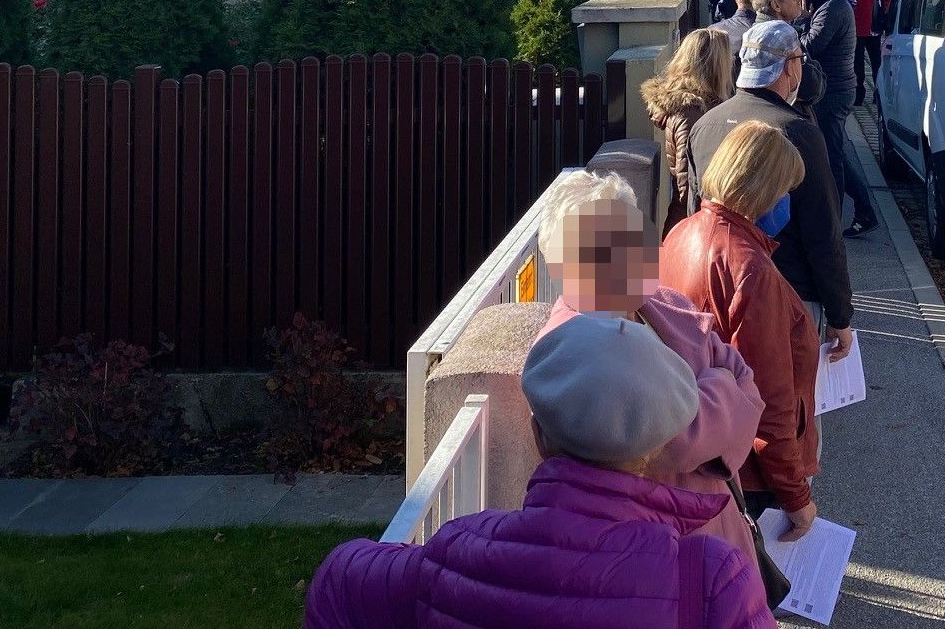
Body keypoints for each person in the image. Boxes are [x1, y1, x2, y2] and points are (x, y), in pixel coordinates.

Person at [304, 313, 777, 629]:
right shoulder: (712, 579)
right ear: (654, 451)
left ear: (537, 434)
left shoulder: (461, 549)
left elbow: (336, 580)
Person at [536, 170, 766, 571]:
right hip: (660, 546)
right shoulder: (569, 342)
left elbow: (749, 386)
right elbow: (675, 441)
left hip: (719, 524)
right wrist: (720, 387)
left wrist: (711, 394)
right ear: (563, 263)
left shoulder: (659, 301)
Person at [663, 122, 822, 537]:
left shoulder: (682, 232)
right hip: (749, 478)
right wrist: (797, 497)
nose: (789, 201)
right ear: (763, 190)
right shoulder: (750, 269)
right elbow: (770, 401)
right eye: (784, 189)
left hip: (698, 449)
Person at [686, 20, 854, 363]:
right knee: (792, 407)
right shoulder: (798, 132)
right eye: (799, 61)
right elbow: (824, 233)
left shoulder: (705, 125)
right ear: (790, 67)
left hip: (718, 289)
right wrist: (840, 315)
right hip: (788, 296)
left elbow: (695, 213)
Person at [795, 0, 877, 238]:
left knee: (833, 159)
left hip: (833, 92)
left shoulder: (831, 9)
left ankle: (835, 220)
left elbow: (812, 46)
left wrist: (800, 23)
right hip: (836, 88)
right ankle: (865, 211)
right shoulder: (831, 3)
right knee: (836, 152)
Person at [643, 29, 739, 223]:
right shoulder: (691, 112)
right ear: (716, 65)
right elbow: (687, 184)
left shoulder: (693, 108)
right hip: (695, 223)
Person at [842, 0, 891, 108]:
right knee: (877, 62)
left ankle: (858, 96)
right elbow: (886, 3)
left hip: (855, 29)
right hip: (874, 29)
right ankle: (878, 94)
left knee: (857, 64)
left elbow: (844, 6)